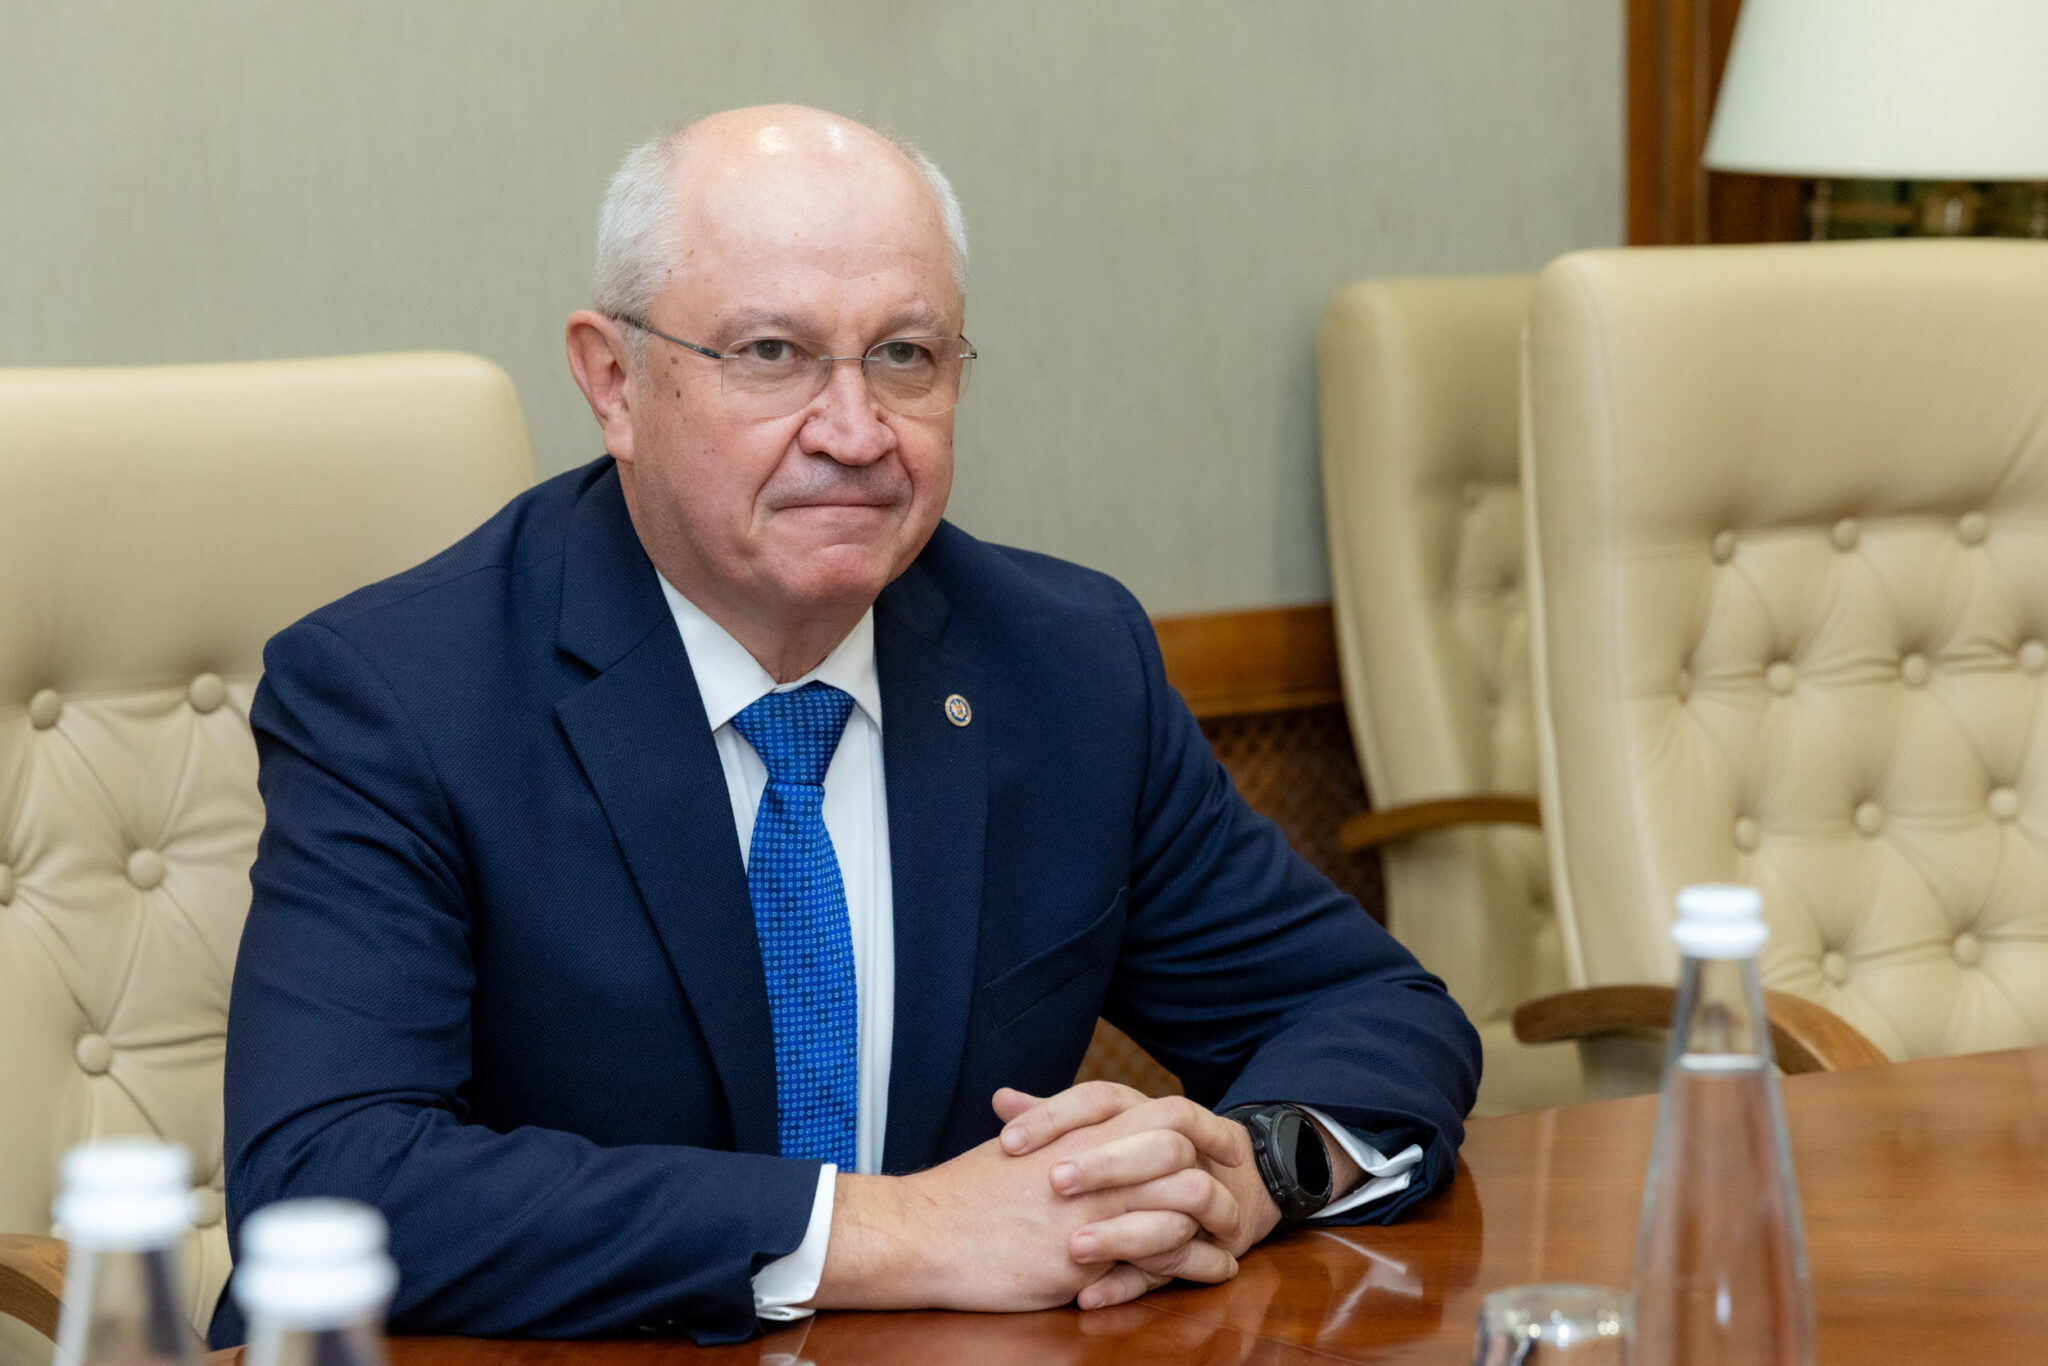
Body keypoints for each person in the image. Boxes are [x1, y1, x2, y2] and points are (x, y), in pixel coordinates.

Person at [213, 105, 1480, 1347]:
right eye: (771, 353)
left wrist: (1247, 1170)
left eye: (904, 355)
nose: (855, 431)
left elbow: (1375, 1009)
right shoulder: (399, 693)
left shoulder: (1063, 664)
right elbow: (327, 1181)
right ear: (613, 381)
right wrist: (901, 1232)